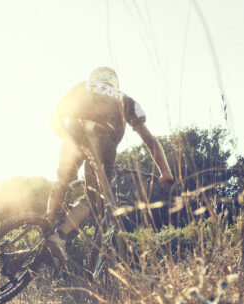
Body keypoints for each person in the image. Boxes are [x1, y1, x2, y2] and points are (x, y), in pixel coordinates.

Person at [45, 66, 174, 265]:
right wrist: (165, 172)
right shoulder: (126, 99)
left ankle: (46, 223)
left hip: (73, 133)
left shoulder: (81, 87)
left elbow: (54, 119)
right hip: (104, 141)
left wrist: (68, 139)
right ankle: (58, 238)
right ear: (115, 82)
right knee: (94, 197)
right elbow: (150, 141)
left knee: (63, 181)